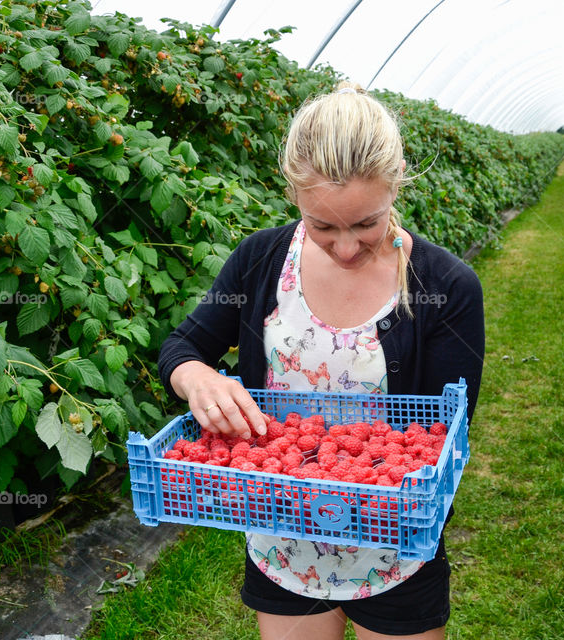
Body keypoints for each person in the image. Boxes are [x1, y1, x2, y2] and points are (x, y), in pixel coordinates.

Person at [158, 80, 485, 640]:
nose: (347, 247)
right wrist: (196, 377)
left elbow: (441, 438)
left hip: (395, 545)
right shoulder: (260, 263)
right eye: (323, 225)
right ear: (294, 196)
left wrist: (377, 495)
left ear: (396, 185)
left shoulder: (446, 285)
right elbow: (182, 347)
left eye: (366, 223)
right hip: (281, 535)